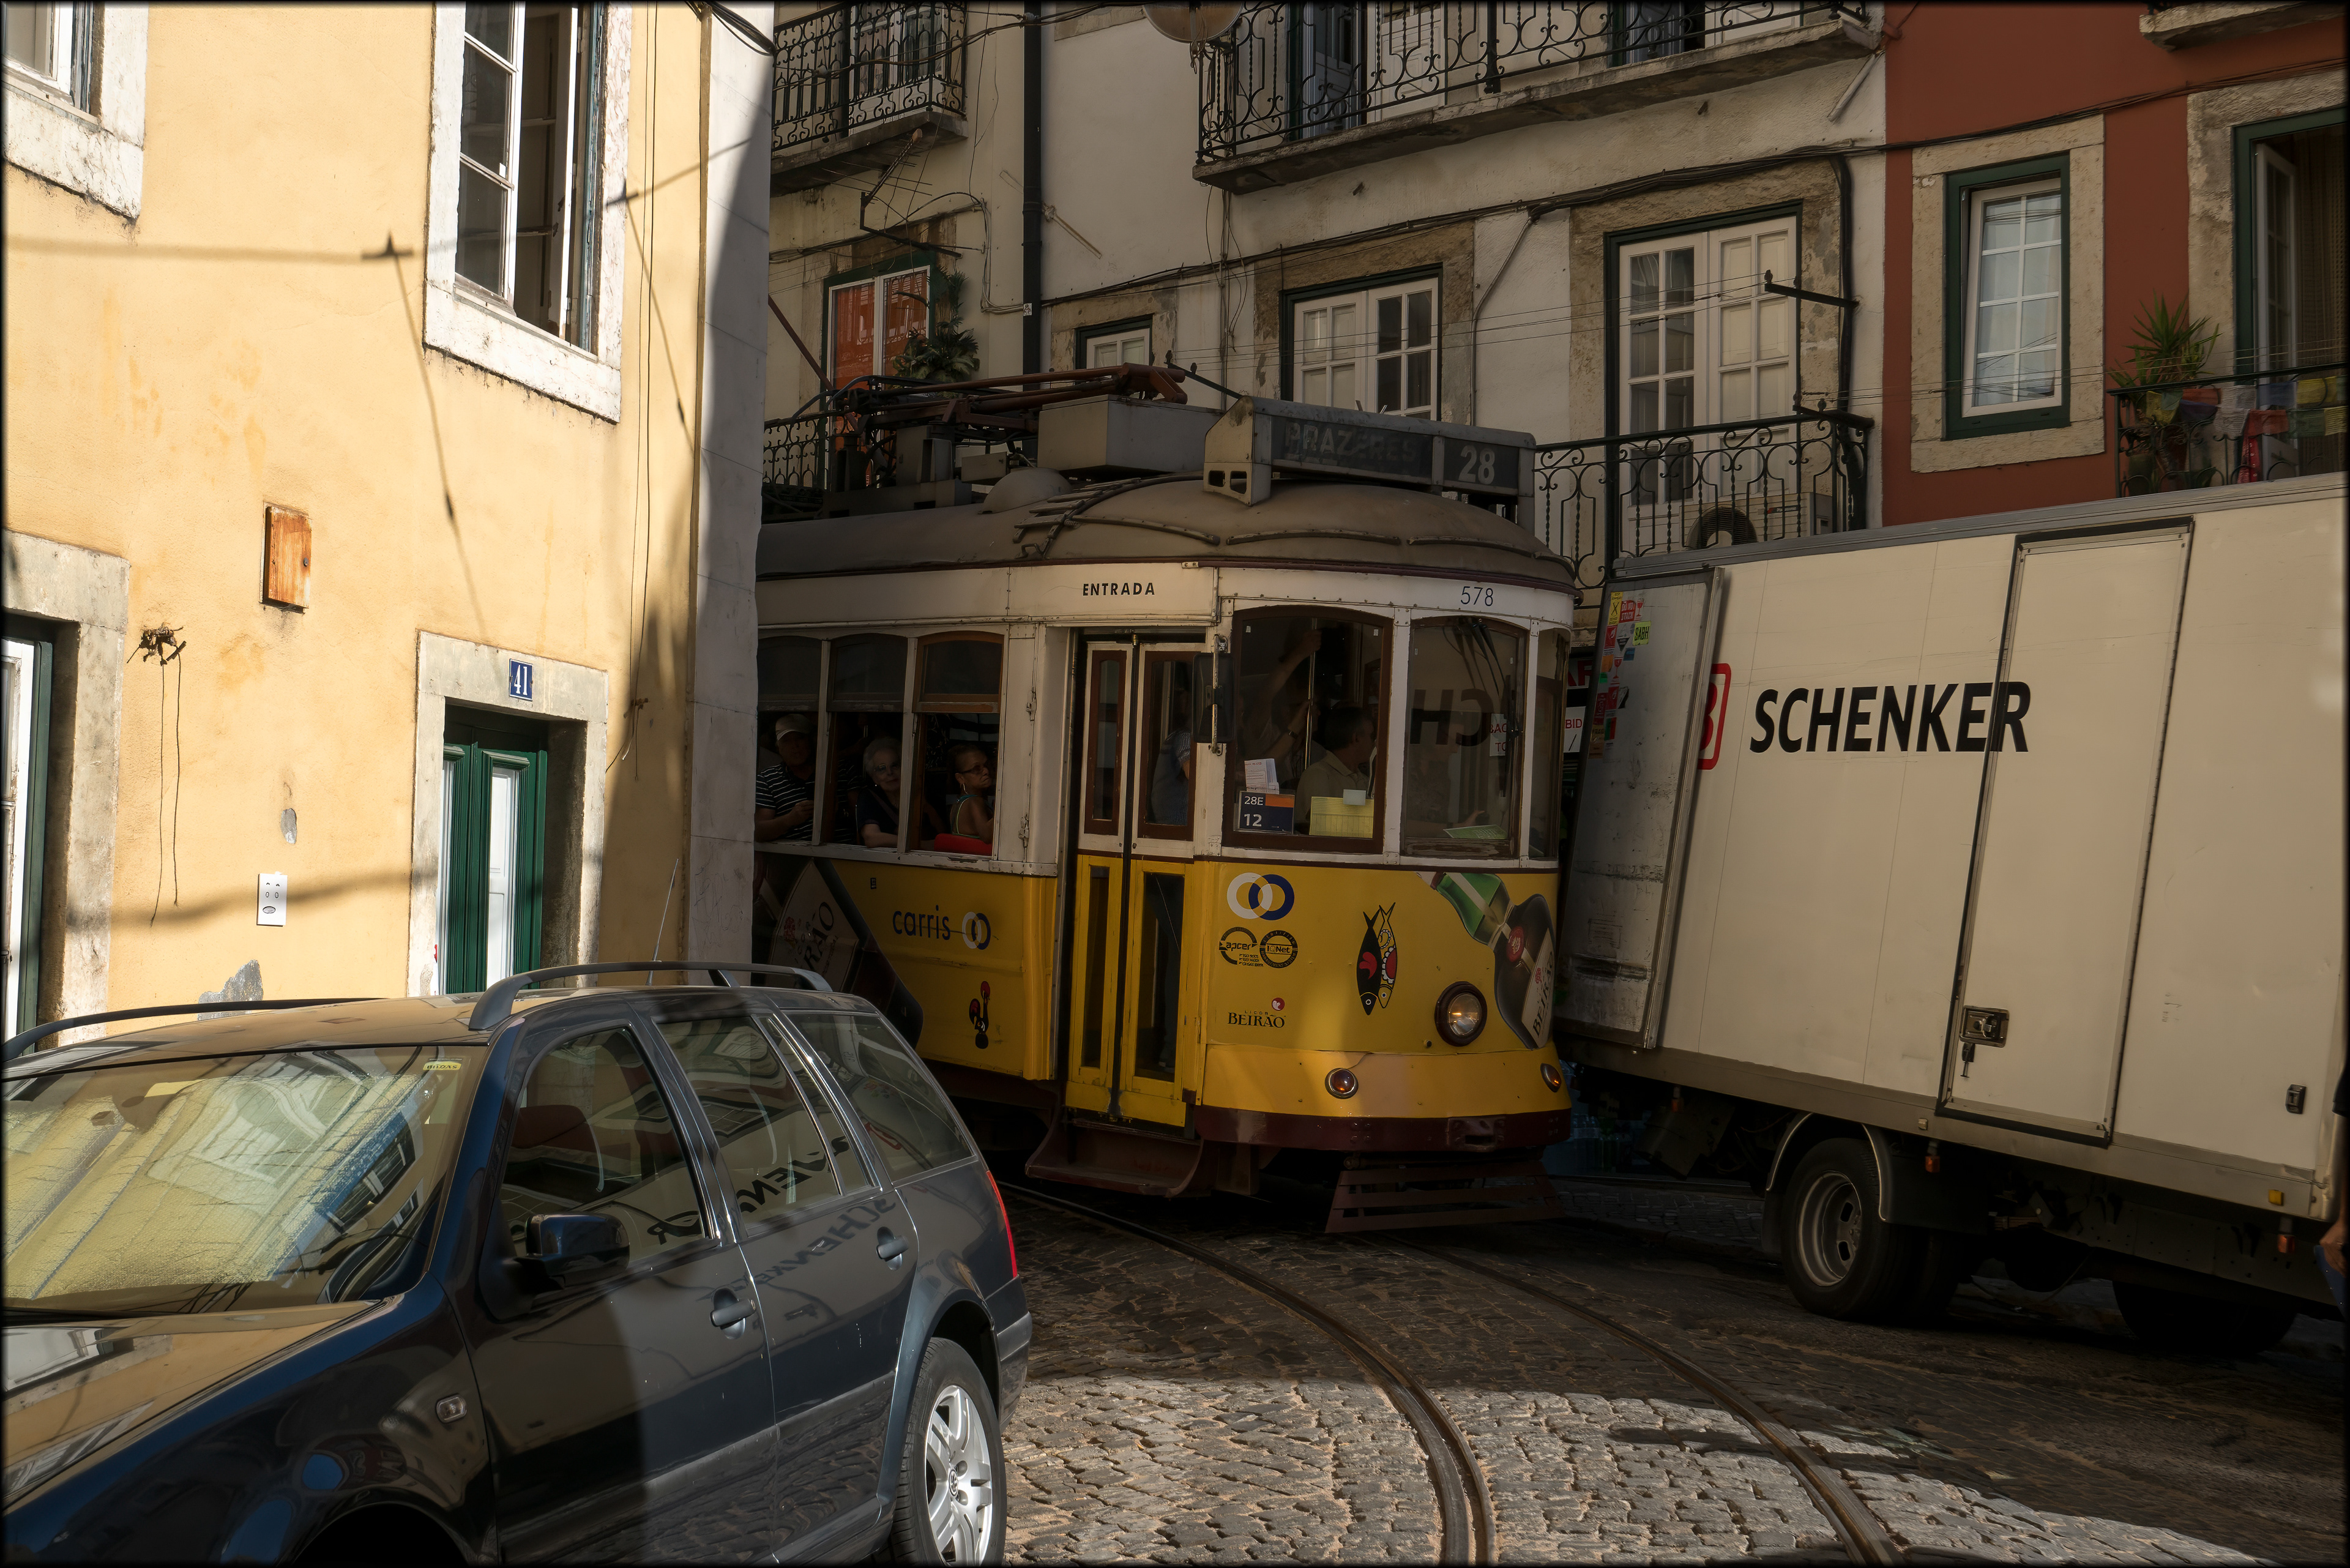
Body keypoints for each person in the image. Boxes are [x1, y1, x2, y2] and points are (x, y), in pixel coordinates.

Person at [755, 714, 817, 846]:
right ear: (778, 748)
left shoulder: (835, 771)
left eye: (800, 738)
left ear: (811, 741)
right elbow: (759, 832)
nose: (795, 746)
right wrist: (790, 819)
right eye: (786, 741)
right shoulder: (767, 779)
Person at [1297, 705, 1376, 805]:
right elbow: (1318, 820)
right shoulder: (1318, 775)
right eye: (1371, 736)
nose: (1374, 743)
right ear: (1356, 738)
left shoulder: (1364, 781)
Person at [857, 736, 904, 849]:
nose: (890, 772)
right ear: (874, 778)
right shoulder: (868, 797)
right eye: (882, 768)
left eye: (895, 765)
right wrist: (915, 844)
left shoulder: (915, 793)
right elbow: (871, 837)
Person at [947, 744, 995, 846]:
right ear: (960, 778)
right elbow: (987, 836)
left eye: (987, 765)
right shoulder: (975, 801)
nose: (986, 771)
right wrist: (1003, 808)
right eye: (976, 769)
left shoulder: (958, 803)